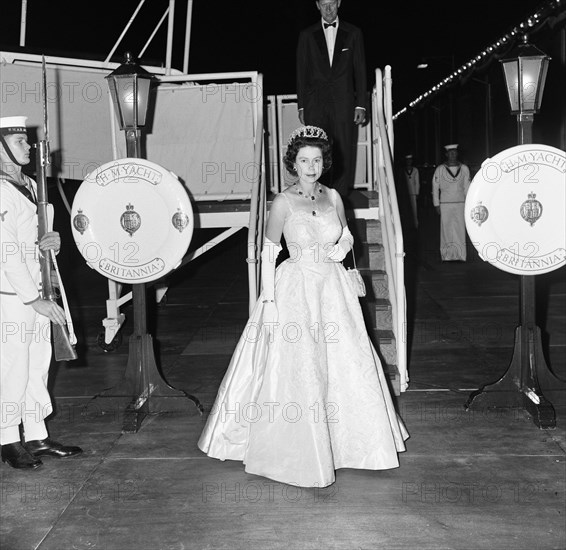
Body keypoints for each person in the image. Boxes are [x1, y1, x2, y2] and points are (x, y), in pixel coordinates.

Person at [198, 125, 408, 488]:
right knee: (301, 366)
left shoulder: (335, 198)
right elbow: (268, 251)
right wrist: (268, 298)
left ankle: (352, 446)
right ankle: (297, 449)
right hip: (296, 287)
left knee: (346, 362)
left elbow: (346, 237)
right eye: (303, 161)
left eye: (316, 160)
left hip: (332, 288)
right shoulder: (282, 202)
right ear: (292, 164)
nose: (310, 167)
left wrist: (340, 249)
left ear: (324, 163)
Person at [0, 116, 83, 469]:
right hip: (12, 295)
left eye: (27, 141)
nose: (29, 148)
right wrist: (34, 300)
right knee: (13, 365)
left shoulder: (31, 185)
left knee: (38, 363)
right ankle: (7, 438)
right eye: (20, 142)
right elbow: (6, 251)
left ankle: (36, 433)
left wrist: (53, 242)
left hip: (38, 287)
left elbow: (34, 238)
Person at [296, 0, 367, 197]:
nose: (328, 9)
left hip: (344, 104)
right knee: (317, 152)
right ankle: (318, 198)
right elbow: (301, 73)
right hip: (315, 104)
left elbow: (360, 70)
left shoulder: (353, 33)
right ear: (317, 5)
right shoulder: (307, 35)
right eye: (324, 4)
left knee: (343, 152)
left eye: (332, 4)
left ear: (339, 3)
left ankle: (339, 199)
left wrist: (361, 104)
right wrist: (302, 106)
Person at [432, 144, 471, 262]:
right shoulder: (440, 169)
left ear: (457, 153)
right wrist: (436, 204)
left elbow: (467, 187)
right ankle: (447, 255)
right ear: (446, 154)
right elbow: (435, 187)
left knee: (460, 229)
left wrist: (469, 204)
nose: (453, 155)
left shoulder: (464, 168)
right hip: (445, 203)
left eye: (454, 152)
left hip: (460, 203)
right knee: (446, 229)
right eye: (450, 153)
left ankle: (460, 255)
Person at [403, 154, 420, 228]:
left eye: (410, 160)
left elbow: (417, 182)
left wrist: (417, 193)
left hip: (413, 193)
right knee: (406, 209)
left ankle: (415, 224)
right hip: (405, 193)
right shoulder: (403, 170)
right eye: (407, 160)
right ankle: (407, 224)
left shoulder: (415, 170)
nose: (409, 161)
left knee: (414, 209)